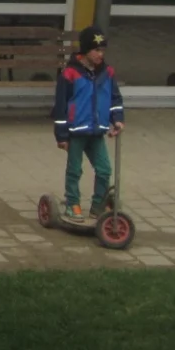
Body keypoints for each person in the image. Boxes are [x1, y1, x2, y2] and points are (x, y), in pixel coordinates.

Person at [53, 26, 124, 222]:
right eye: (96, 50)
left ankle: (98, 205)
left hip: (97, 131)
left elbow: (115, 98)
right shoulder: (70, 74)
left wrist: (117, 119)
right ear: (85, 50)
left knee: (104, 170)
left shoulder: (107, 73)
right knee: (75, 170)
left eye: (103, 50)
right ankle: (72, 203)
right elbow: (60, 107)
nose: (101, 54)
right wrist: (61, 135)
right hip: (76, 131)